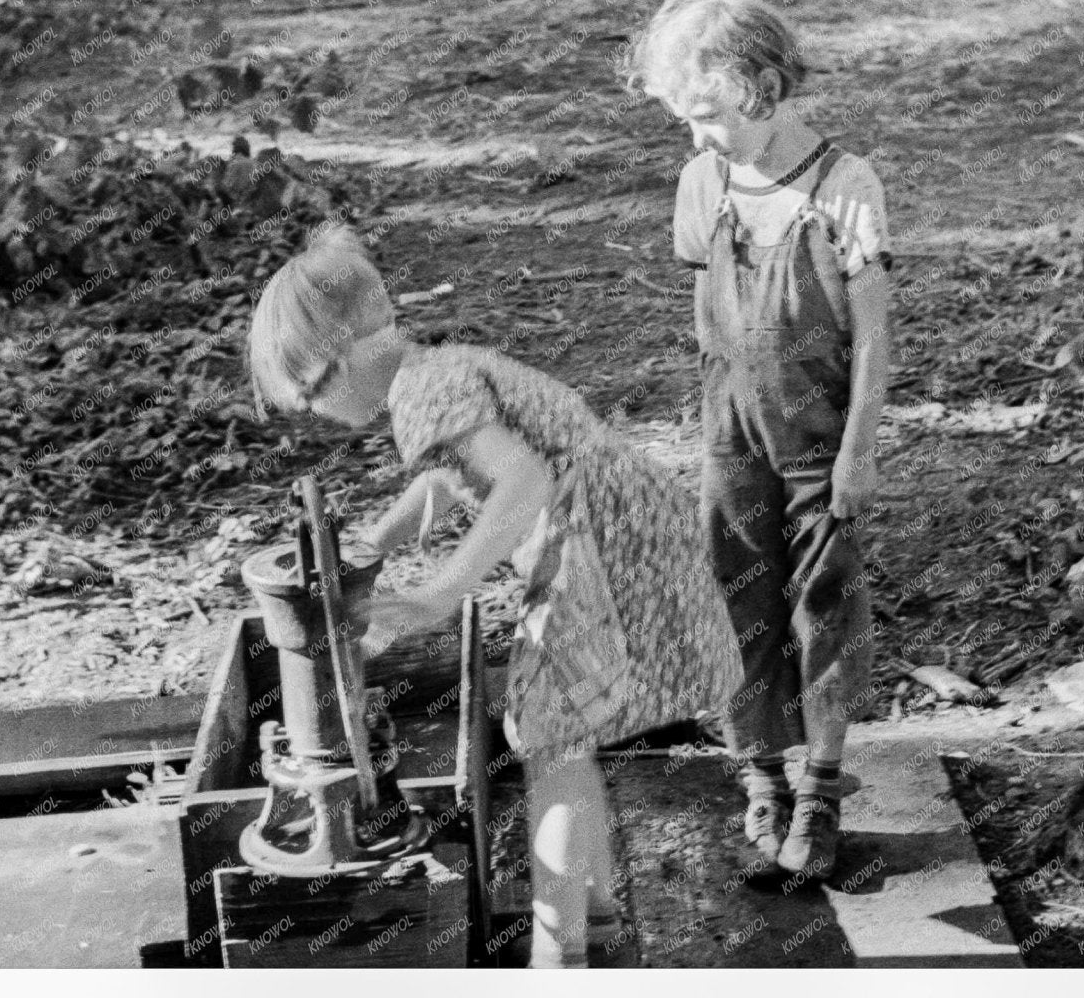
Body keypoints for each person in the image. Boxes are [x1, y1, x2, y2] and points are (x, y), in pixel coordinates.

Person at [248, 224, 742, 969]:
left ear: (342, 355)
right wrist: (376, 543)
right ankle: (597, 911)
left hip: (599, 542)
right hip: (633, 525)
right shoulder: (437, 368)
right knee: (569, 736)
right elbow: (450, 480)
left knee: (550, 740)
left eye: (310, 392)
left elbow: (523, 481)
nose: (315, 414)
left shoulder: (419, 390)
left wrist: (442, 595)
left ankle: (559, 954)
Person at [626, 0, 891, 884]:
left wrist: (858, 449)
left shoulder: (845, 187)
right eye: (684, 121)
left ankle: (819, 790)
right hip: (732, 441)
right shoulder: (703, 184)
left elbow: (876, 337)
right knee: (736, 604)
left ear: (766, 88)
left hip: (819, 445)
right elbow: (715, 313)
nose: (696, 138)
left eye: (707, 117)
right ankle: (761, 778)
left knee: (824, 613)